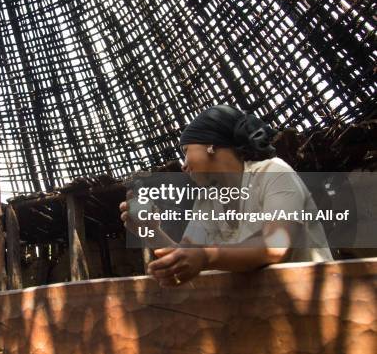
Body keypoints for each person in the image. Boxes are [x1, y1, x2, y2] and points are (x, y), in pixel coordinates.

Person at [119, 105, 332, 287]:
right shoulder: (208, 199)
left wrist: (205, 256)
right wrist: (149, 230)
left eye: (186, 151)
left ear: (210, 145)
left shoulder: (273, 172)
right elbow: (185, 257)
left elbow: (275, 246)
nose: (183, 165)